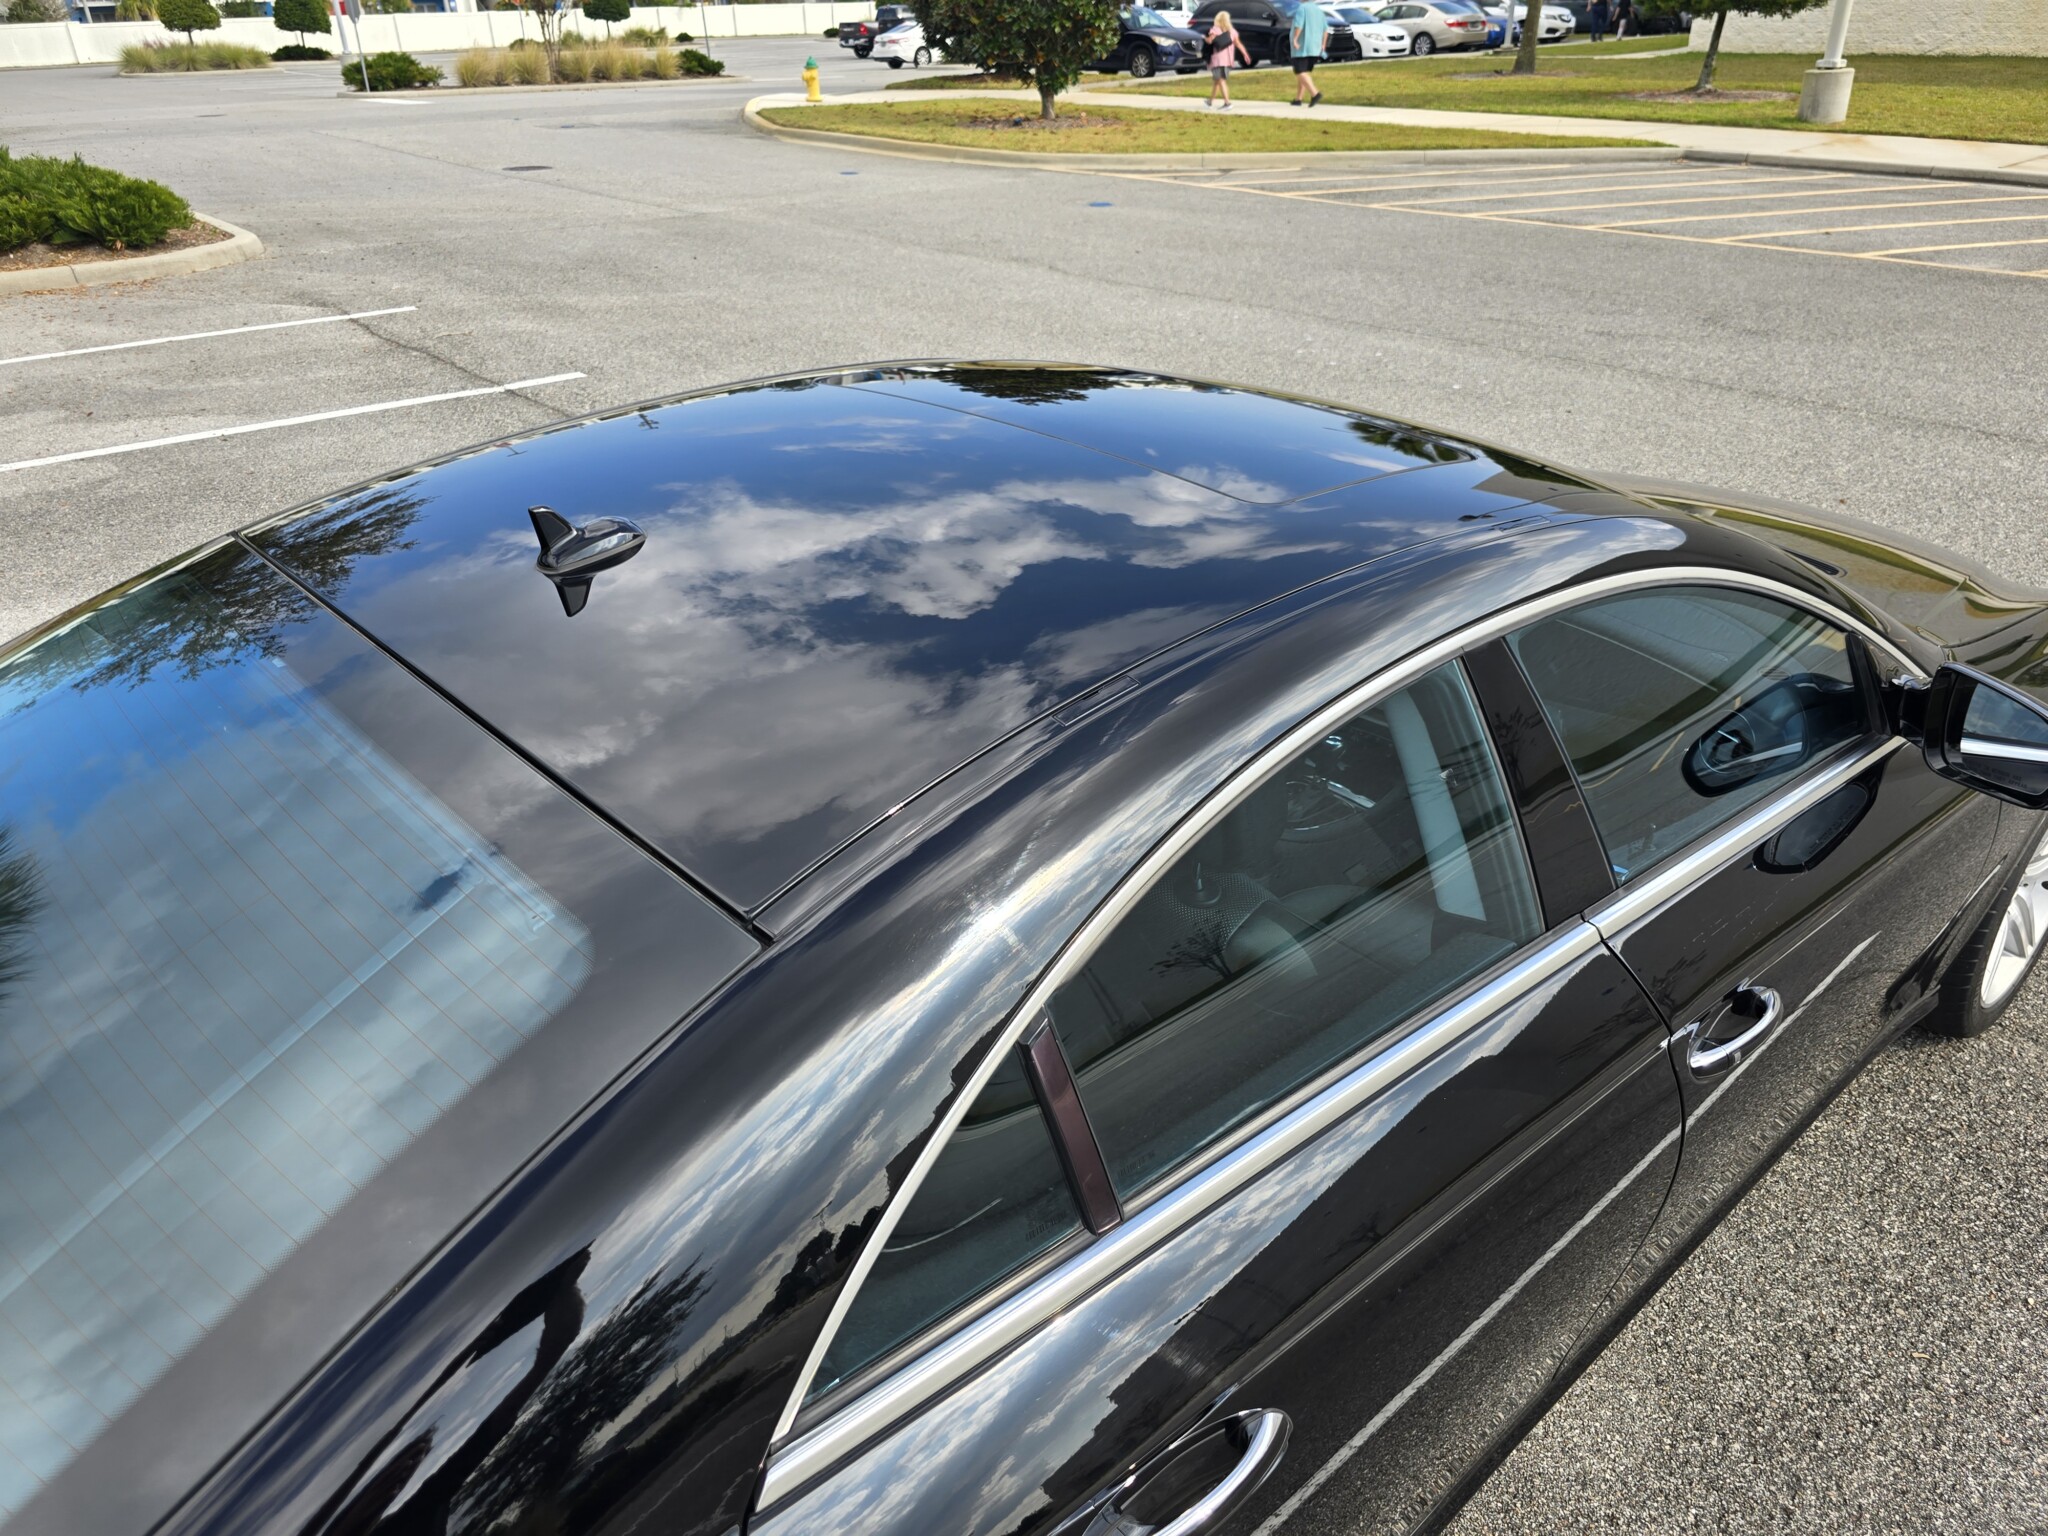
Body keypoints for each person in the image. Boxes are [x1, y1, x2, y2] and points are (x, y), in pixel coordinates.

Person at [1289, 0, 1327, 107]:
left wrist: (1295, 39)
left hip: (1302, 47)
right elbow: (1325, 29)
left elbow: (1299, 25)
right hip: (1315, 47)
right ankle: (1298, 99)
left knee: (1299, 71)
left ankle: (1315, 93)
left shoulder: (1302, 8)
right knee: (1304, 72)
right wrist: (1323, 44)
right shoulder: (1318, 10)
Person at [1206, 9, 1244, 109]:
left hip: (1218, 60)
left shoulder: (1215, 29)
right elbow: (1238, 43)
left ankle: (1227, 103)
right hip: (1228, 60)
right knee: (1217, 81)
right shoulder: (1232, 31)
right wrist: (1245, 54)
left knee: (1221, 80)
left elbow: (1210, 41)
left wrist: (1204, 38)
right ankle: (1209, 101)